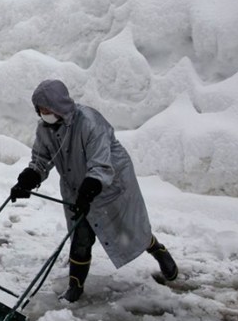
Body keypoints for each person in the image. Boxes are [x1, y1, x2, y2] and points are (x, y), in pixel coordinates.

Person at [10, 79, 178, 302]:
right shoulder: (45, 129)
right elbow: (41, 159)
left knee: (129, 231)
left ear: (59, 106)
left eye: (47, 109)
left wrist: (89, 190)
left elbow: (100, 164)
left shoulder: (90, 123)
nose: (43, 113)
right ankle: (75, 287)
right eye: (40, 110)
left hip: (110, 184)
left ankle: (157, 250)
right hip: (75, 187)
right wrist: (28, 179)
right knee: (81, 237)